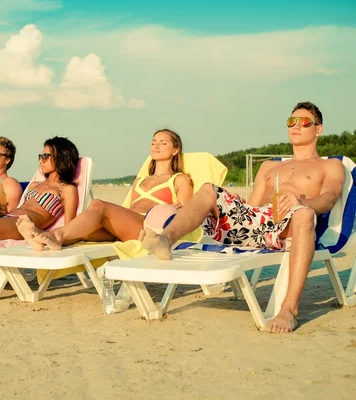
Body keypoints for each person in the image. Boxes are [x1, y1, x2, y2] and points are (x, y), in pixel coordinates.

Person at [140, 102, 345, 334]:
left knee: (305, 215)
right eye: (291, 121)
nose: (296, 126)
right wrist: (235, 204)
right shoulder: (269, 166)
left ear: (318, 129)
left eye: (304, 122)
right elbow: (251, 208)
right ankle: (165, 240)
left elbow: (329, 198)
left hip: (289, 222)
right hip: (254, 224)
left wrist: (302, 203)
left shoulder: (331, 165)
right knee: (209, 190)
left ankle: (289, 309)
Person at [17, 129, 193, 251]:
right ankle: (45, 240)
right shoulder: (140, 180)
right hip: (128, 226)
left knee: (98, 205)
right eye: (154, 142)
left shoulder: (179, 179)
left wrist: (179, 210)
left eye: (163, 143)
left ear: (175, 150)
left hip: (151, 228)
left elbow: (185, 218)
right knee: (83, 232)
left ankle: (53, 236)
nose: (156, 146)